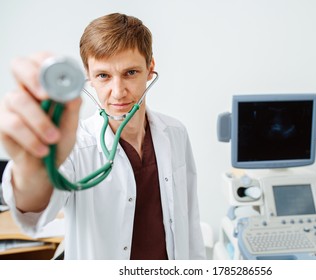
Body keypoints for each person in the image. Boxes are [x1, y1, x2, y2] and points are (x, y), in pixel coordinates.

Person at [0, 13, 205, 260]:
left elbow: (190, 222)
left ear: (150, 69)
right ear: (88, 75)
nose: (118, 92)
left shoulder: (175, 133)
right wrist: (32, 165)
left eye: (130, 72)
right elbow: (33, 210)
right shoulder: (75, 146)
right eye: (103, 76)